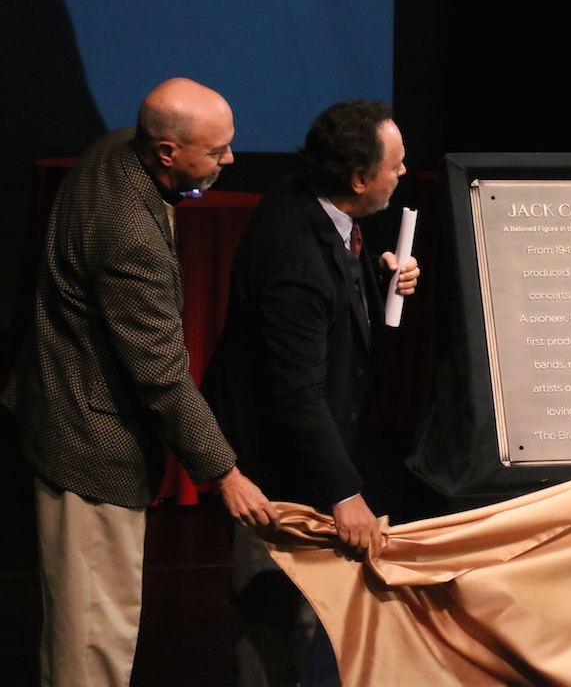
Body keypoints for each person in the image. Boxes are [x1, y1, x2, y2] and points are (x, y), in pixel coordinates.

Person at [1, 77, 278, 687]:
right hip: (88, 445)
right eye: (216, 151)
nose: (230, 159)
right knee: (94, 636)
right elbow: (162, 375)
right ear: (167, 153)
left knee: (86, 626)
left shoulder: (117, 146)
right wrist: (224, 474)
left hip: (62, 409)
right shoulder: (129, 235)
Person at [201, 99, 419, 686]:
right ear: (357, 178)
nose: (402, 172)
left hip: (300, 455)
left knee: (299, 619)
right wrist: (344, 494)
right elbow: (296, 392)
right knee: (269, 617)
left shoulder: (312, 204)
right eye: (394, 165)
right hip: (272, 470)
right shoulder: (295, 255)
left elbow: (329, 297)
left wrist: (377, 278)